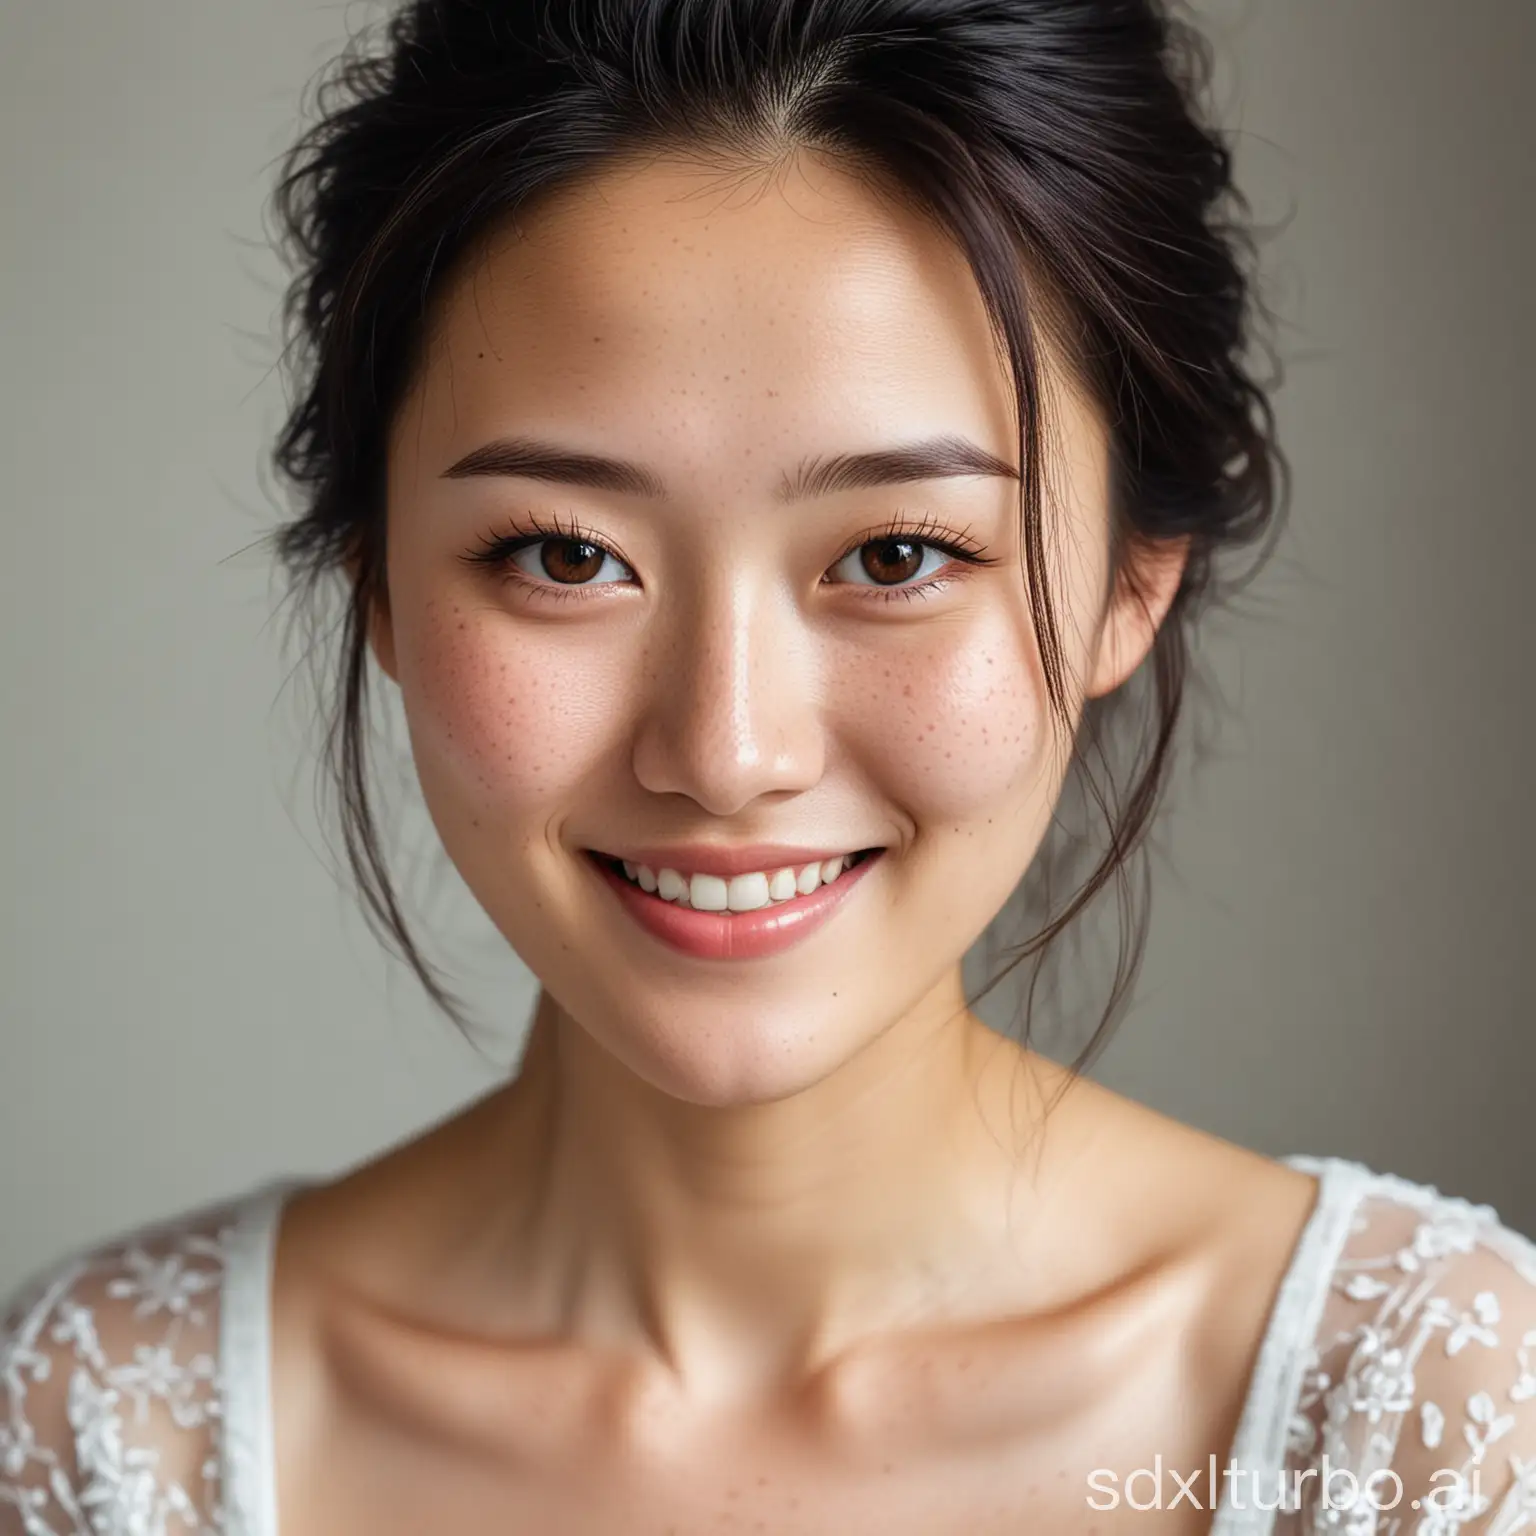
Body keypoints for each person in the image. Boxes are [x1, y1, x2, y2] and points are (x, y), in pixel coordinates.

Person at [4, 1, 1534, 1531]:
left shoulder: (1431, 1426)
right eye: (563, 553)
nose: (725, 753)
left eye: (897, 552)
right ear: (381, 579)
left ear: (1135, 580)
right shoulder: (107, 1435)